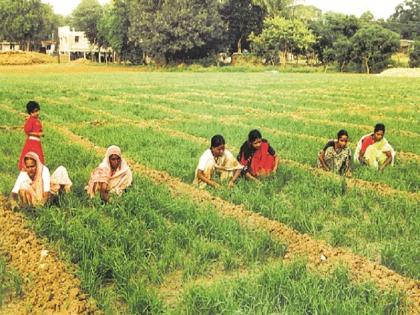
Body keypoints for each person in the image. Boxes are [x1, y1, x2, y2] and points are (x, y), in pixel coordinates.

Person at [18, 101, 44, 170]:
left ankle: (38, 169)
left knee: (38, 156)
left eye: (37, 111)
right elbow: (27, 131)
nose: (37, 113)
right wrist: (38, 134)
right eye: (34, 112)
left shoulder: (37, 120)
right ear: (30, 113)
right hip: (32, 142)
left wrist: (40, 132)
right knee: (31, 155)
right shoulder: (30, 120)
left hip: (37, 142)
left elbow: (39, 129)